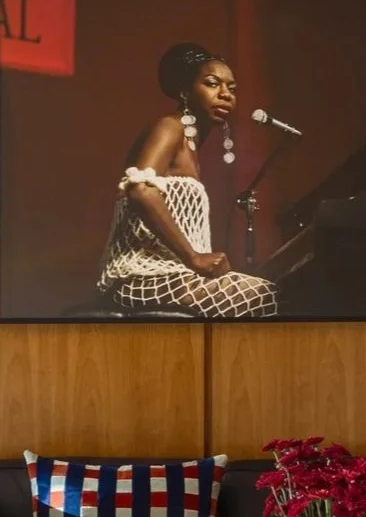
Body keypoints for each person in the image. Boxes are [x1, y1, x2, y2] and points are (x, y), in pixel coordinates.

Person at [97, 42, 278, 318]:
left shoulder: (192, 146)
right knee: (266, 297)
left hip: (175, 275)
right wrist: (193, 257)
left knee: (273, 293)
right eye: (212, 84)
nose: (225, 94)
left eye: (232, 88)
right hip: (142, 276)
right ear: (185, 91)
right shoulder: (170, 127)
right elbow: (140, 190)